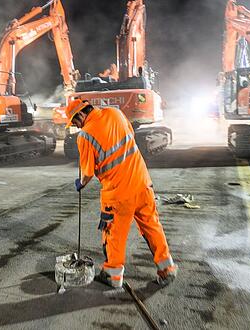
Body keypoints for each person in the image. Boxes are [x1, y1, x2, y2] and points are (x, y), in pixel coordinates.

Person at [67, 97, 177, 288]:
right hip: (143, 183)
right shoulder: (115, 113)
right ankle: (167, 270)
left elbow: (87, 173)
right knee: (152, 226)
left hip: (118, 194)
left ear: (82, 114)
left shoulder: (85, 135)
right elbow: (129, 135)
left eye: (76, 122)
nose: (76, 127)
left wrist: (80, 184)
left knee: (114, 234)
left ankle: (112, 275)